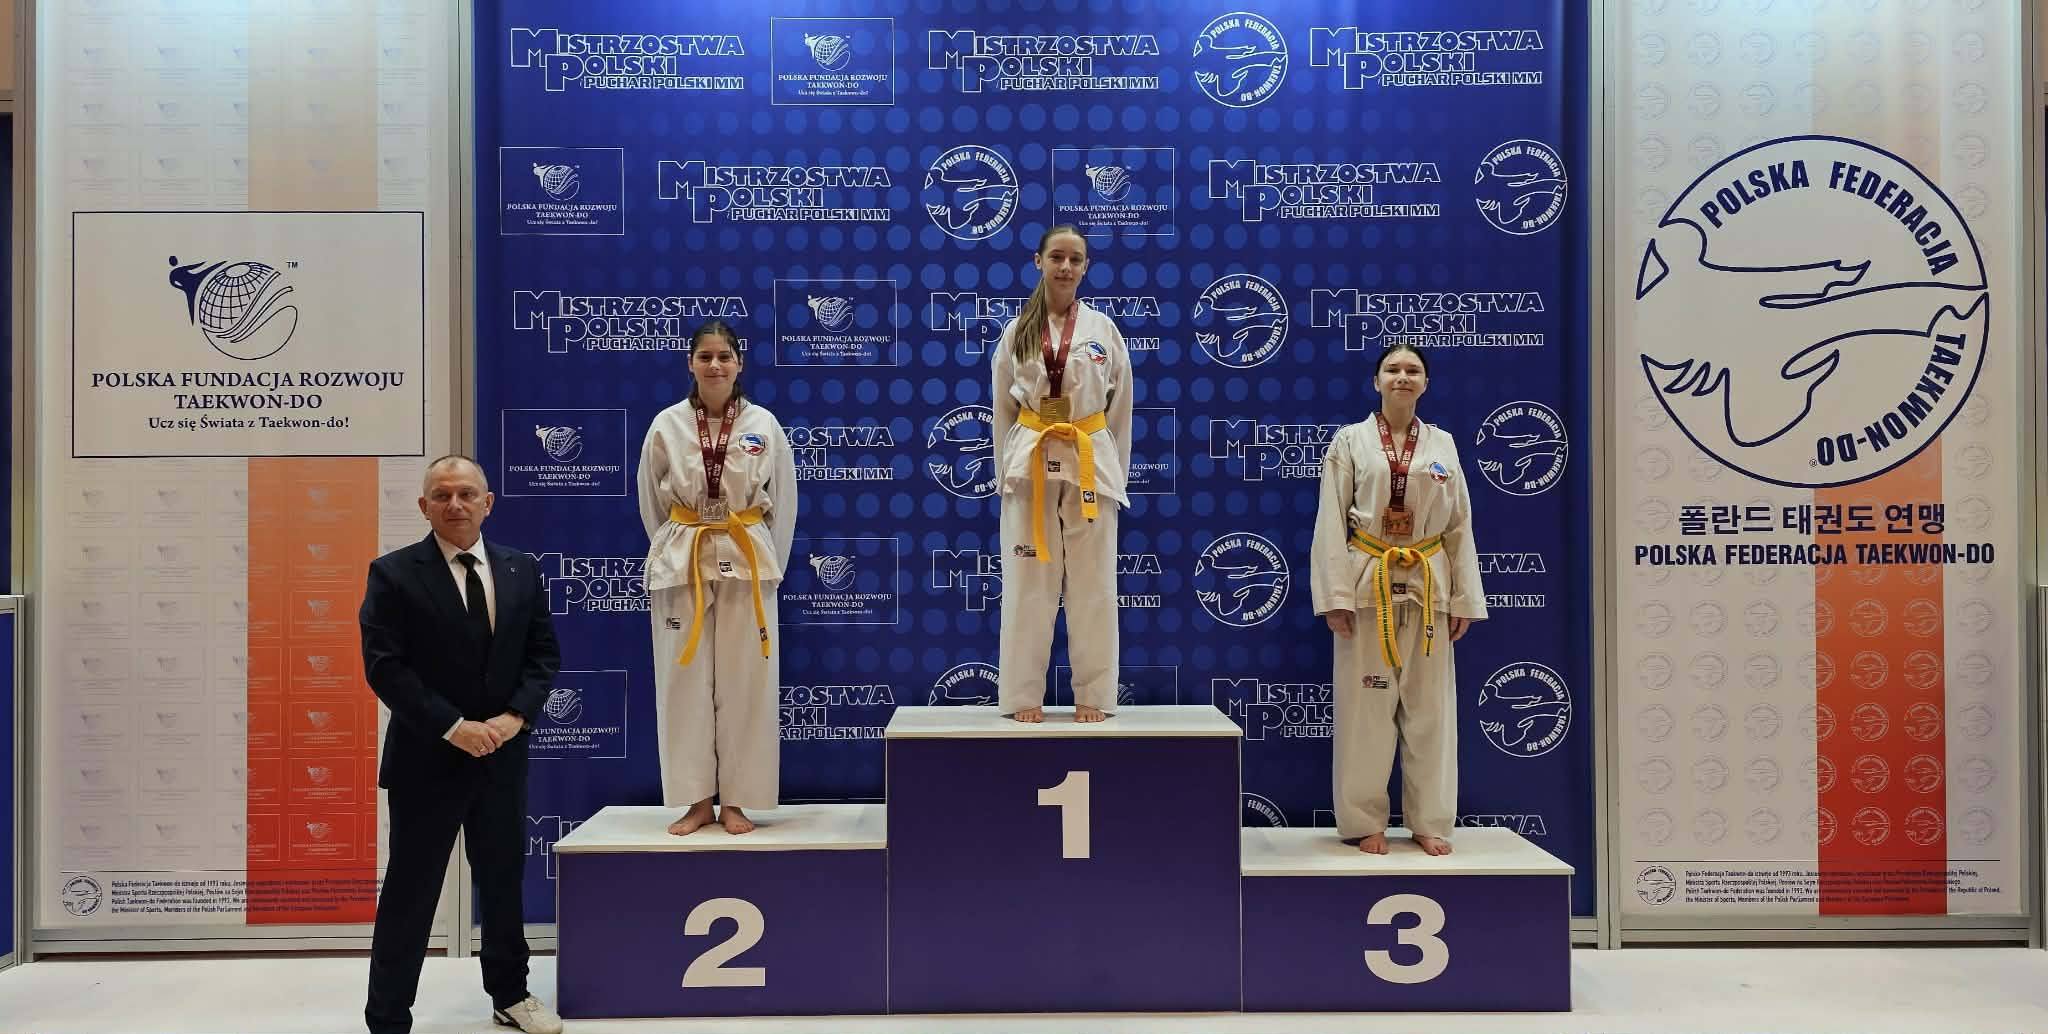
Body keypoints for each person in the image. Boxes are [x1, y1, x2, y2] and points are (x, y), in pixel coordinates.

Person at [360, 455, 563, 1034]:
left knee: (501, 882)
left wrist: (513, 719)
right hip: (427, 759)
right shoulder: (393, 574)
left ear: (487, 503)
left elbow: (543, 655)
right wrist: (455, 727)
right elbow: (385, 667)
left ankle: (510, 995)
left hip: (502, 755)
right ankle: (387, 1016)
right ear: (424, 506)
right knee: (411, 890)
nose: (455, 505)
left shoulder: (521, 569)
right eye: (442, 495)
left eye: (467, 494)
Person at [1310, 345, 1487, 856]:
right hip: (1369, 581)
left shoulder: (1443, 445)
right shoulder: (1351, 441)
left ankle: (1430, 820)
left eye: (1413, 370)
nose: (1402, 376)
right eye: (1393, 369)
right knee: (1365, 711)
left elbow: (1459, 524)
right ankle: (1363, 821)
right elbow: (1330, 520)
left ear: (1425, 383)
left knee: (1430, 712)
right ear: (1377, 381)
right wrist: (1335, 595)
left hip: (1429, 585)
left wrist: (1464, 598)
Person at [637, 320, 797, 835]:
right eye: (705, 356)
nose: (715, 365)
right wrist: (675, 543)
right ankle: (696, 800)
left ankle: (738, 801)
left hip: (747, 555)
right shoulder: (666, 424)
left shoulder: (763, 424)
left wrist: (770, 562)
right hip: (683, 553)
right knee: (682, 680)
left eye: (724, 356)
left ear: (739, 363)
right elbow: (650, 502)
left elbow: (784, 504)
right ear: (690, 363)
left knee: (747, 681)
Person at [992, 224, 1135, 723]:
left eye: (1075, 259)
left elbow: (1120, 411)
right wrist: (1006, 472)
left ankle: (1094, 694)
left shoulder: (1102, 331)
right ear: (1039, 262)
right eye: (1056, 257)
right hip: (1030, 462)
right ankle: (1022, 696)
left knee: (1093, 586)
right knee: (1027, 583)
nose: (1065, 267)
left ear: (1086, 267)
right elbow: (1002, 411)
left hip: (1089, 461)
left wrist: (1113, 469)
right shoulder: (1018, 331)